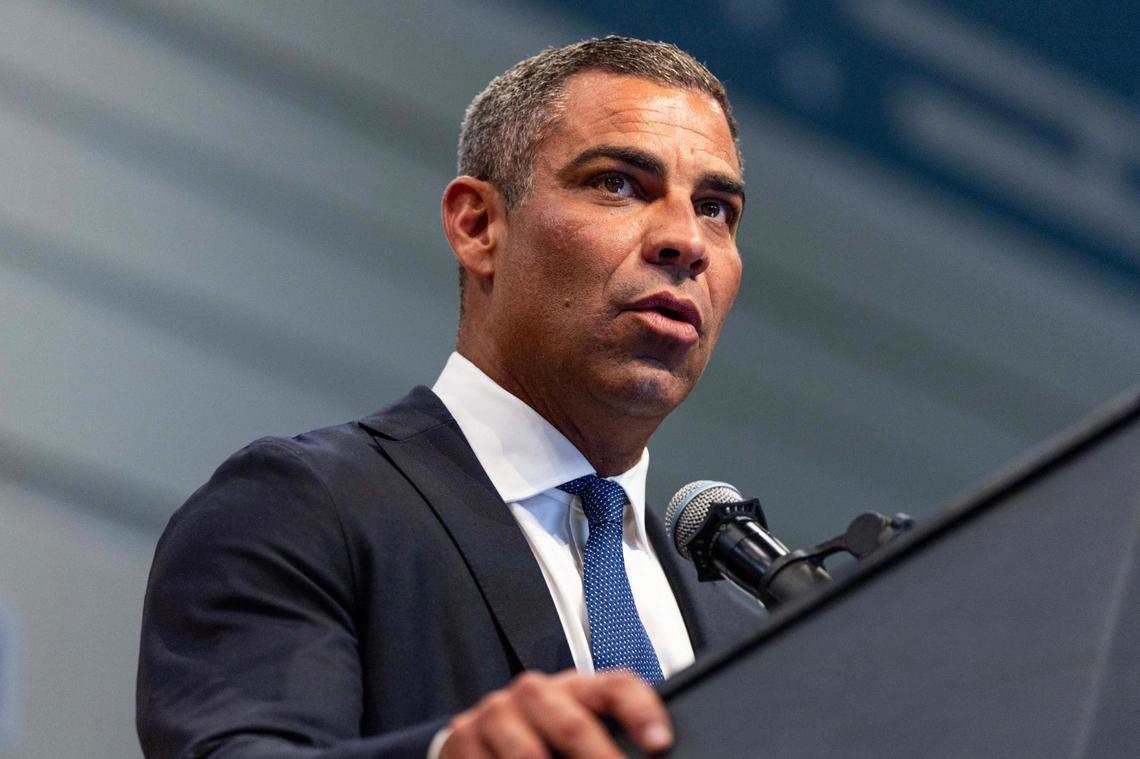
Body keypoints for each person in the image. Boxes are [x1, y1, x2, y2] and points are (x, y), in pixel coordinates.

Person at [137, 36, 764, 759]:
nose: (688, 240)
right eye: (619, 183)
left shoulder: (741, 628)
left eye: (716, 208)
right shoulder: (305, 508)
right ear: (478, 226)